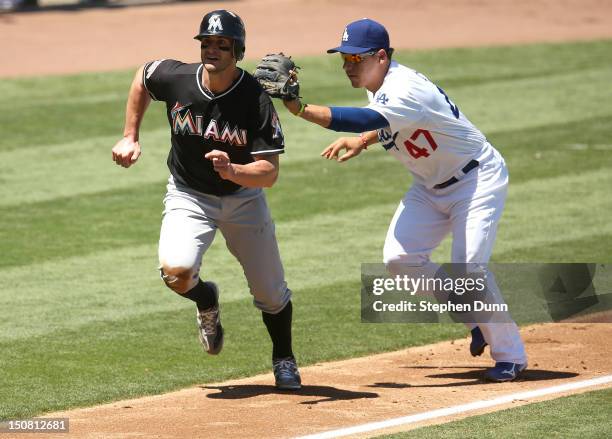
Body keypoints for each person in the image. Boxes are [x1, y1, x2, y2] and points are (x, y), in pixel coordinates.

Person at [283, 18, 527, 382]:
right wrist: (364, 141)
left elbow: (364, 117)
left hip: (476, 180)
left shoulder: (405, 87)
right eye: (345, 59)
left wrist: (300, 108)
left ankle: (511, 356)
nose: (348, 66)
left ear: (381, 56)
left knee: (469, 270)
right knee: (399, 259)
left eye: (355, 59)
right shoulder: (380, 83)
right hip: (429, 187)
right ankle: (471, 312)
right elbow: (385, 121)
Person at [111, 9, 300, 390]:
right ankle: (206, 298)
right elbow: (143, 77)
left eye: (222, 44)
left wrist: (233, 171)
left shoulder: (254, 99)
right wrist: (130, 134)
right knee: (176, 272)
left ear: (238, 51)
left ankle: (283, 358)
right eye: (206, 43)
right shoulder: (177, 78)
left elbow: (269, 172)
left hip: (243, 198)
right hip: (189, 194)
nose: (212, 50)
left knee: (270, 292)